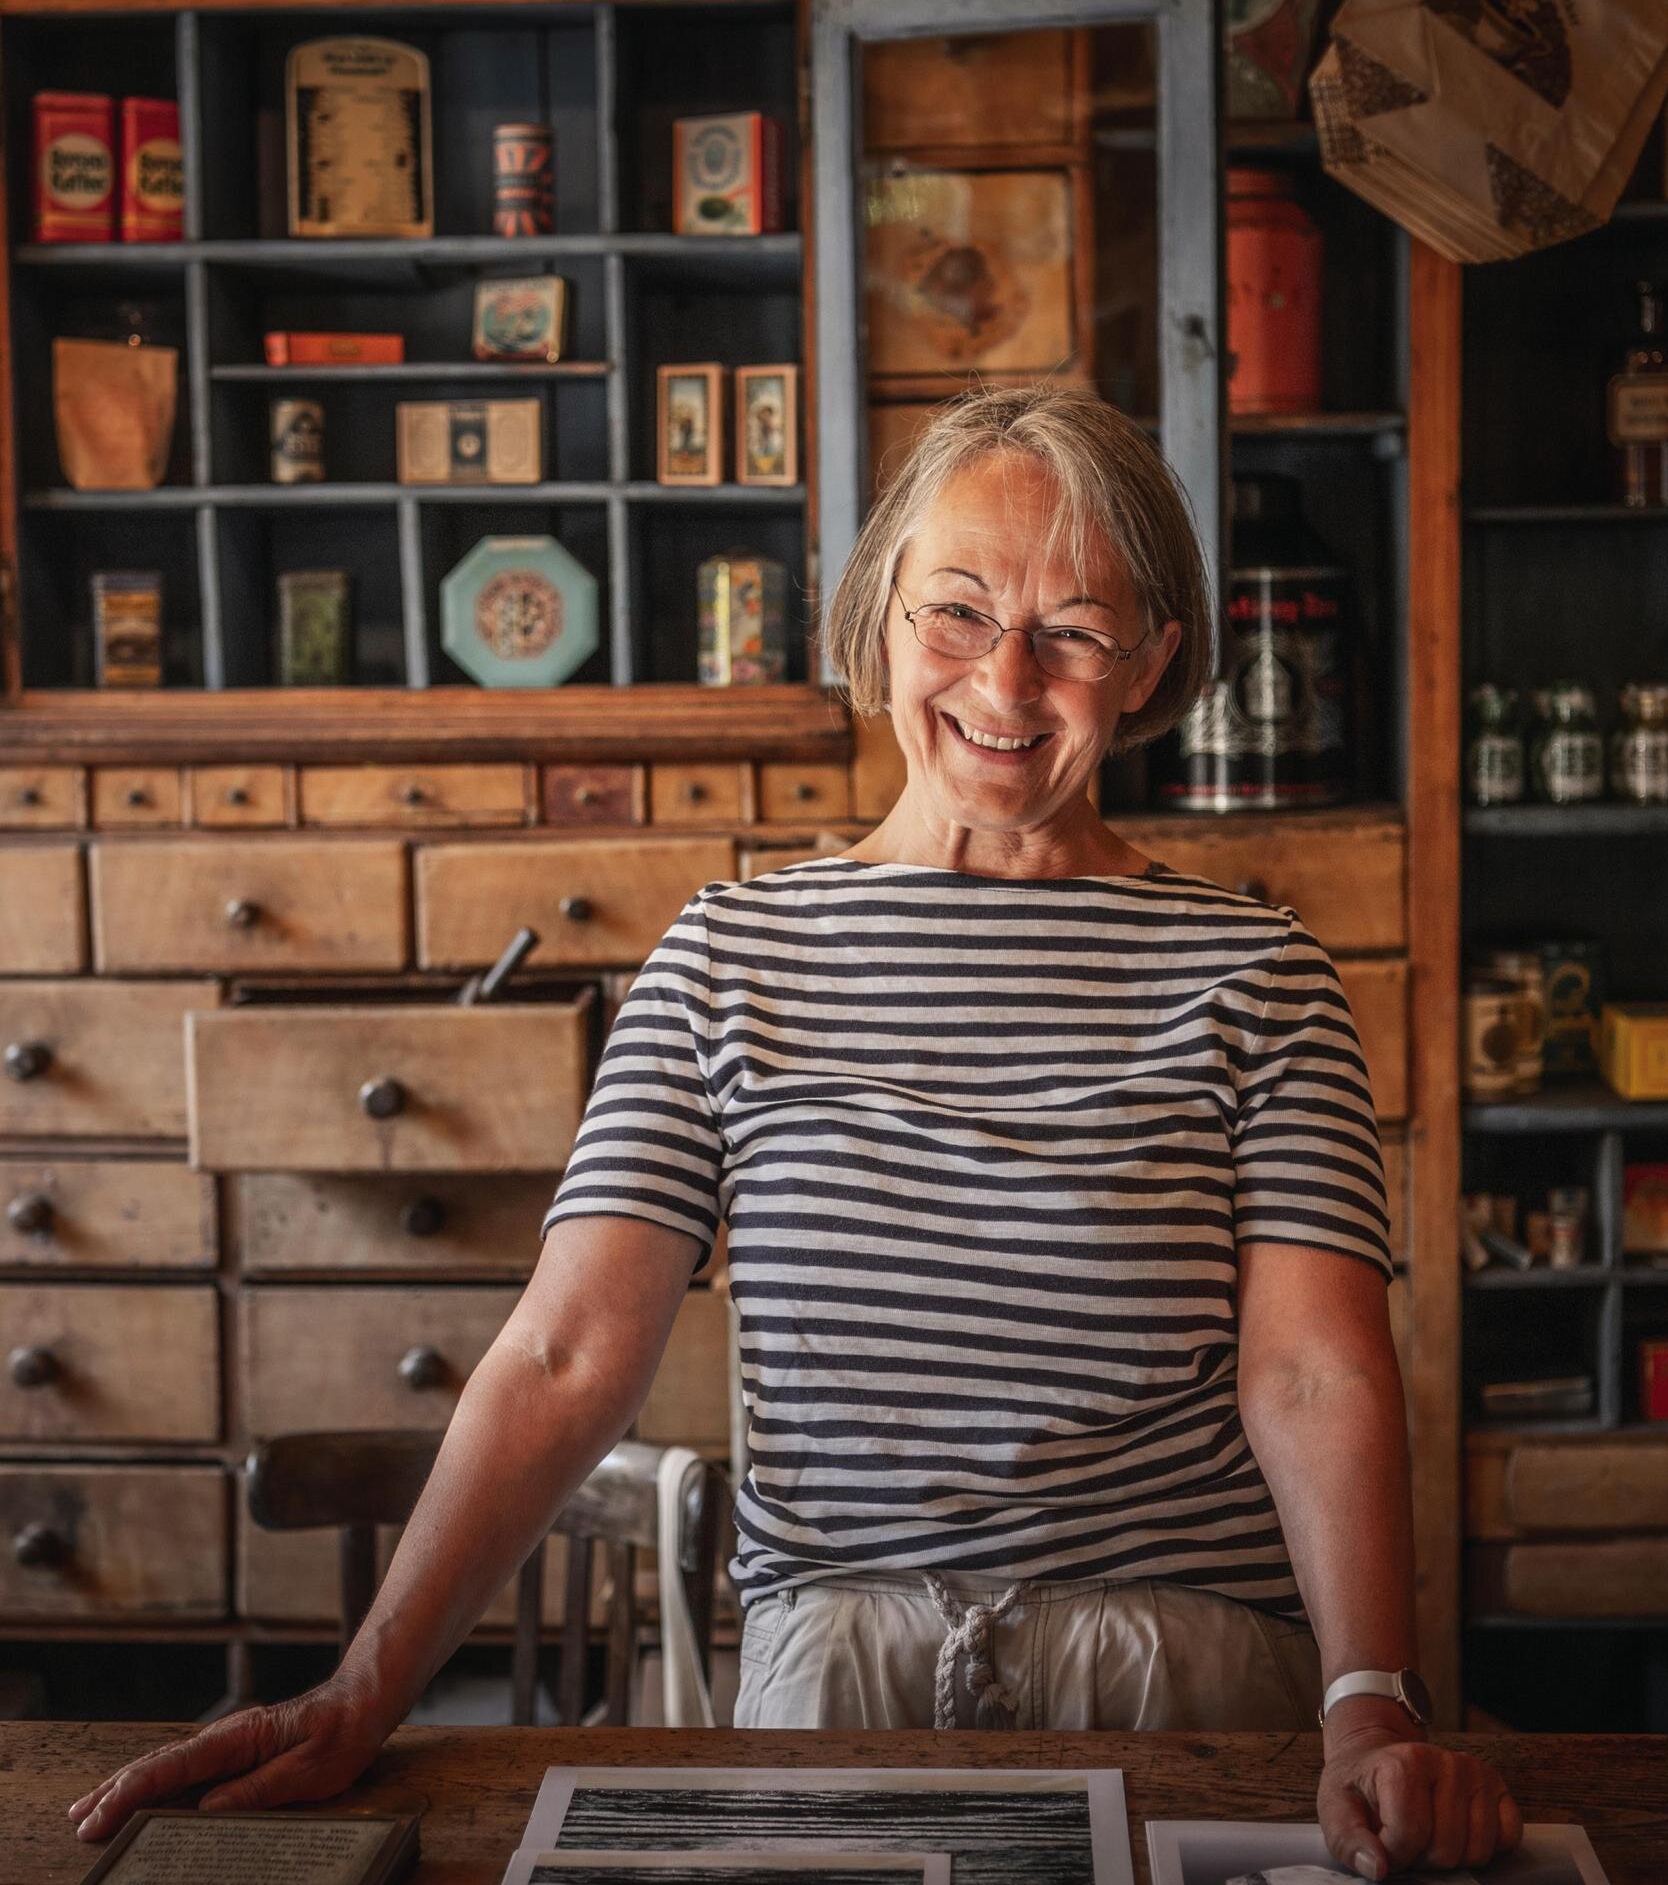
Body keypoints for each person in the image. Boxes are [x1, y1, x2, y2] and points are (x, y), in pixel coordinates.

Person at [72, 386, 1517, 1879]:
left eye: (1076, 628)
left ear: (1153, 659)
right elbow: (568, 1356)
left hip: (1193, 1679)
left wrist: (1368, 1708)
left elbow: (1313, 1367)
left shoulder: (1258, 975)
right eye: (957, 609)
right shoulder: (728, 956)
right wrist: (365, 1688)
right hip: (835, 1680)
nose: (1006, 679)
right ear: (880, 612)